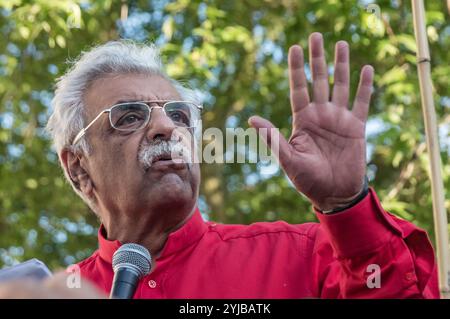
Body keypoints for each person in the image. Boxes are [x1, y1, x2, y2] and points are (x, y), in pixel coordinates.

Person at [0, 33, 439, 298]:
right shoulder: (52, 292)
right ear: (77, 167)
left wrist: (348, 206)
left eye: (178, 115)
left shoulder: (304, 256)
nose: (164, 128)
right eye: (130, 116)